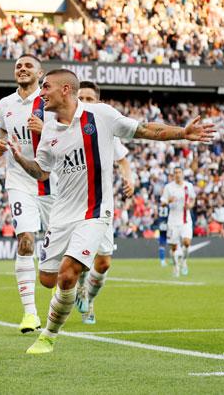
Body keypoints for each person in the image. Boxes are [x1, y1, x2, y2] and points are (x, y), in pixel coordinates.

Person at [7, 69, 215, 354]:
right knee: (47, 279)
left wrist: (182, 133)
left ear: (66, 89)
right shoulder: (49, 130)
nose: (41, 93)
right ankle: (72, 293)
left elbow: (144, 129)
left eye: (46, 87)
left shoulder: (100, 115)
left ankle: (48, 335)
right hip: (61, 215)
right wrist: (20, 159)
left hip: (95, 212)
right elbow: (42, 172)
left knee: (68, 274)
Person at [0, 54, 57, 333]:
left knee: (59, 251)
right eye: (18, 65)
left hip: (52, 182)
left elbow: (69, 134)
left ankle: (66, 298)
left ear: (40, 73)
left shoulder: (50, 102)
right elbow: (3, 130)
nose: (22, 69)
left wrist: (47, 130)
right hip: (19, 181)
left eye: (28, 65)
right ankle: (30, 313)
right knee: (26, 241)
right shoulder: (5, 104)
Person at [74, 80, 135, 325]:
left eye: (90, 99)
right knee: (79, 259)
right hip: (72, 204)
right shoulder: (63, 125)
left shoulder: (105, 128)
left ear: (98, 102)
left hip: (101, 204)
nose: (86, 103)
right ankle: (81, 292)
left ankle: (88, 295)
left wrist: (128, 179)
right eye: (82, 98)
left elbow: (123, 160)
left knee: (104, 261)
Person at [161, 167, 196, 277]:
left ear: (182, 174)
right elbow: (162, 202)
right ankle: (176, 266)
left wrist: (190, 205)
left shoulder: (188, 186)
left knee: (186, 242)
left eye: (179, 172)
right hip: (173, 221)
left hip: (185, 220)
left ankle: (184, 261)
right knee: (174, 247)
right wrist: (168, 201)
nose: (177, 174)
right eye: (175, 172)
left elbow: (193, 198)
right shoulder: (168, 187)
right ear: (173, 175)